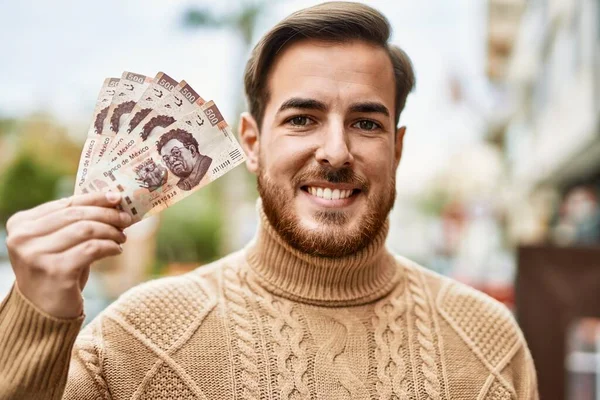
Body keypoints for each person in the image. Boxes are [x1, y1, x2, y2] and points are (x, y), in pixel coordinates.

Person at [0, 2, 538, 399]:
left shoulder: (490, 344)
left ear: (396, 148)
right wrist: (36, 317)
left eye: (366, 123)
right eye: (302, 118)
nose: (335, 151)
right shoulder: (135, 342)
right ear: (253, 144)